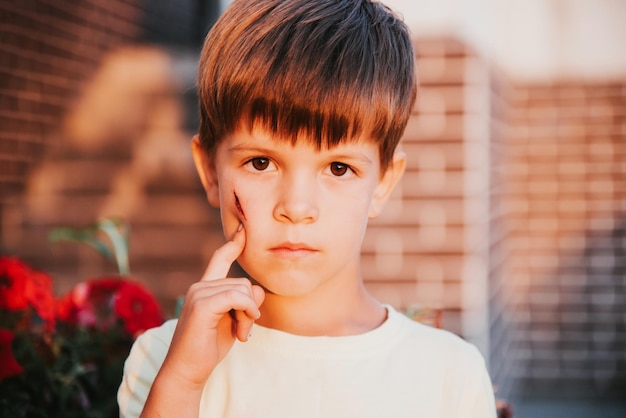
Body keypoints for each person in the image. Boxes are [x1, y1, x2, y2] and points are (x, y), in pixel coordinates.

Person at [118, 0, 497, 416]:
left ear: (384, 181)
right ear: (211, 172)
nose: (296, 208)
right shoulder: (164, 362)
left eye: (338, 168)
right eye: (260, 163)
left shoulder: (448, 375)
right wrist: (184, 382)